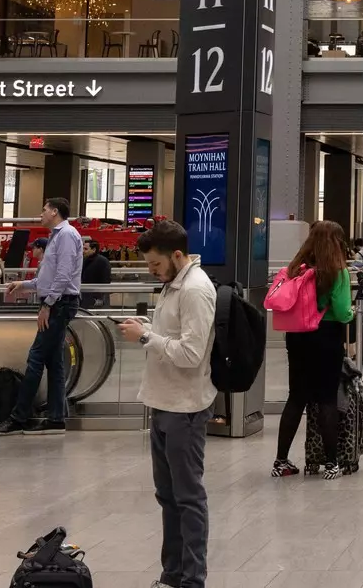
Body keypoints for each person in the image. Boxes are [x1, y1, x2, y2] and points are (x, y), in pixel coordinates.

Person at [112, 220, 215, 588]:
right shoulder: (173, 285)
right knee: (168, 496)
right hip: (163, 402)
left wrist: (146, 337)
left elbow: (190, 354)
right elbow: (172, 337)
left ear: (176, 255)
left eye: (155, 264)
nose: (151, 271)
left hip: (185, 407)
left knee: (187, 497)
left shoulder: (195, 290)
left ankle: (192, 579)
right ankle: (172, 574)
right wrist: (149, 331)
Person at [0, 198, 83, 435]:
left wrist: (48, 305)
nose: (41, 214)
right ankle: (56, 418)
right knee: (54, 362)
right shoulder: (56, 236)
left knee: (36, 357)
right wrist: (25, 285)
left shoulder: (67, 235)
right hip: (57, 302)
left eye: (44, 210)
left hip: (60, 304)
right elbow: (47, 278)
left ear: (55, 212)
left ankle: (19, 417)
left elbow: (63, 276)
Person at [273, 220, 354, 477]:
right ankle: (331, 463)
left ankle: (281, 461)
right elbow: (342, 313)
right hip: (326, 337)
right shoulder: (336, 271)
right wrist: (351, 312)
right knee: (327, 398)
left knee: (296, 397)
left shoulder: (296, 269)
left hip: (297, 337)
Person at [80, 237, 114, 310]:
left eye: (86, 249)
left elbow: (106, 281)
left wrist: (98, 299)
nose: (83, 251)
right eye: (83, 248)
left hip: (95, 299)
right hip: (85, 295)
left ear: (94, 250)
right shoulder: (84, 260)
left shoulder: (102, 262)